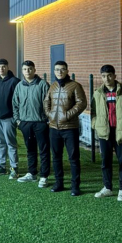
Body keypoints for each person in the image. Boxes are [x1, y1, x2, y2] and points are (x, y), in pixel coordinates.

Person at [91, 65, 122, 201]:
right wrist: (96, 126)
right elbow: (93, 113)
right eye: (103, 76)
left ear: (114, 76)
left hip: (121, 132)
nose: (106, 79)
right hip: (104, 132)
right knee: (105, 161)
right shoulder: (98, 93)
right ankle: (107, 187)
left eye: (109, 75)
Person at [44, 61, 87, 196]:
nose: (60, 72)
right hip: (53, 128)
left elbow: (81, 103)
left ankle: (75, 186)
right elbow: (46, 102)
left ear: (67, 71)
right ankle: (59, 183)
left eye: (62, 69)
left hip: (70, 127)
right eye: (57, 69)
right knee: (56, 157)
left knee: (73, 158)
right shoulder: (53, 86)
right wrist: (50, 114)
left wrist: (67, 115)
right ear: (54, 71)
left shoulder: (75, 86)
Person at [12, 60, 50, 185]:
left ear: (34, 70)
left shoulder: (43, 84)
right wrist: (18, 120)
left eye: (29, 69)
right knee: (30, 149)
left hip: (40, 122)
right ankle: (32, 173)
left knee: (43, 150)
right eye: (25, 69)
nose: (27, 71)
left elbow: (50, 103)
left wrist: (47, 120)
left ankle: (44, 176)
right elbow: (15, 104)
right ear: (22, 71)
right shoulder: (19, 86)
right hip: (25, 123)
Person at [0, 59, 20, 179]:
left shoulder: (14, 81)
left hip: (8, 118)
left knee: (11, 143)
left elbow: (18, 100)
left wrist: (16, 117)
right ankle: (1, 166)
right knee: (1, 142)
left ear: (7, 67)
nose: (1, 69)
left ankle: (14, 168)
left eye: (3, 66)